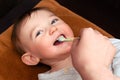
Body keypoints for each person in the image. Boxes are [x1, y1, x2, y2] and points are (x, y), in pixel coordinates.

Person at [11, 7, 120, 80]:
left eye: (53, 21)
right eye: (39, 32)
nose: (53, 28)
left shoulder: (100, 44)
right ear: (31, 58)